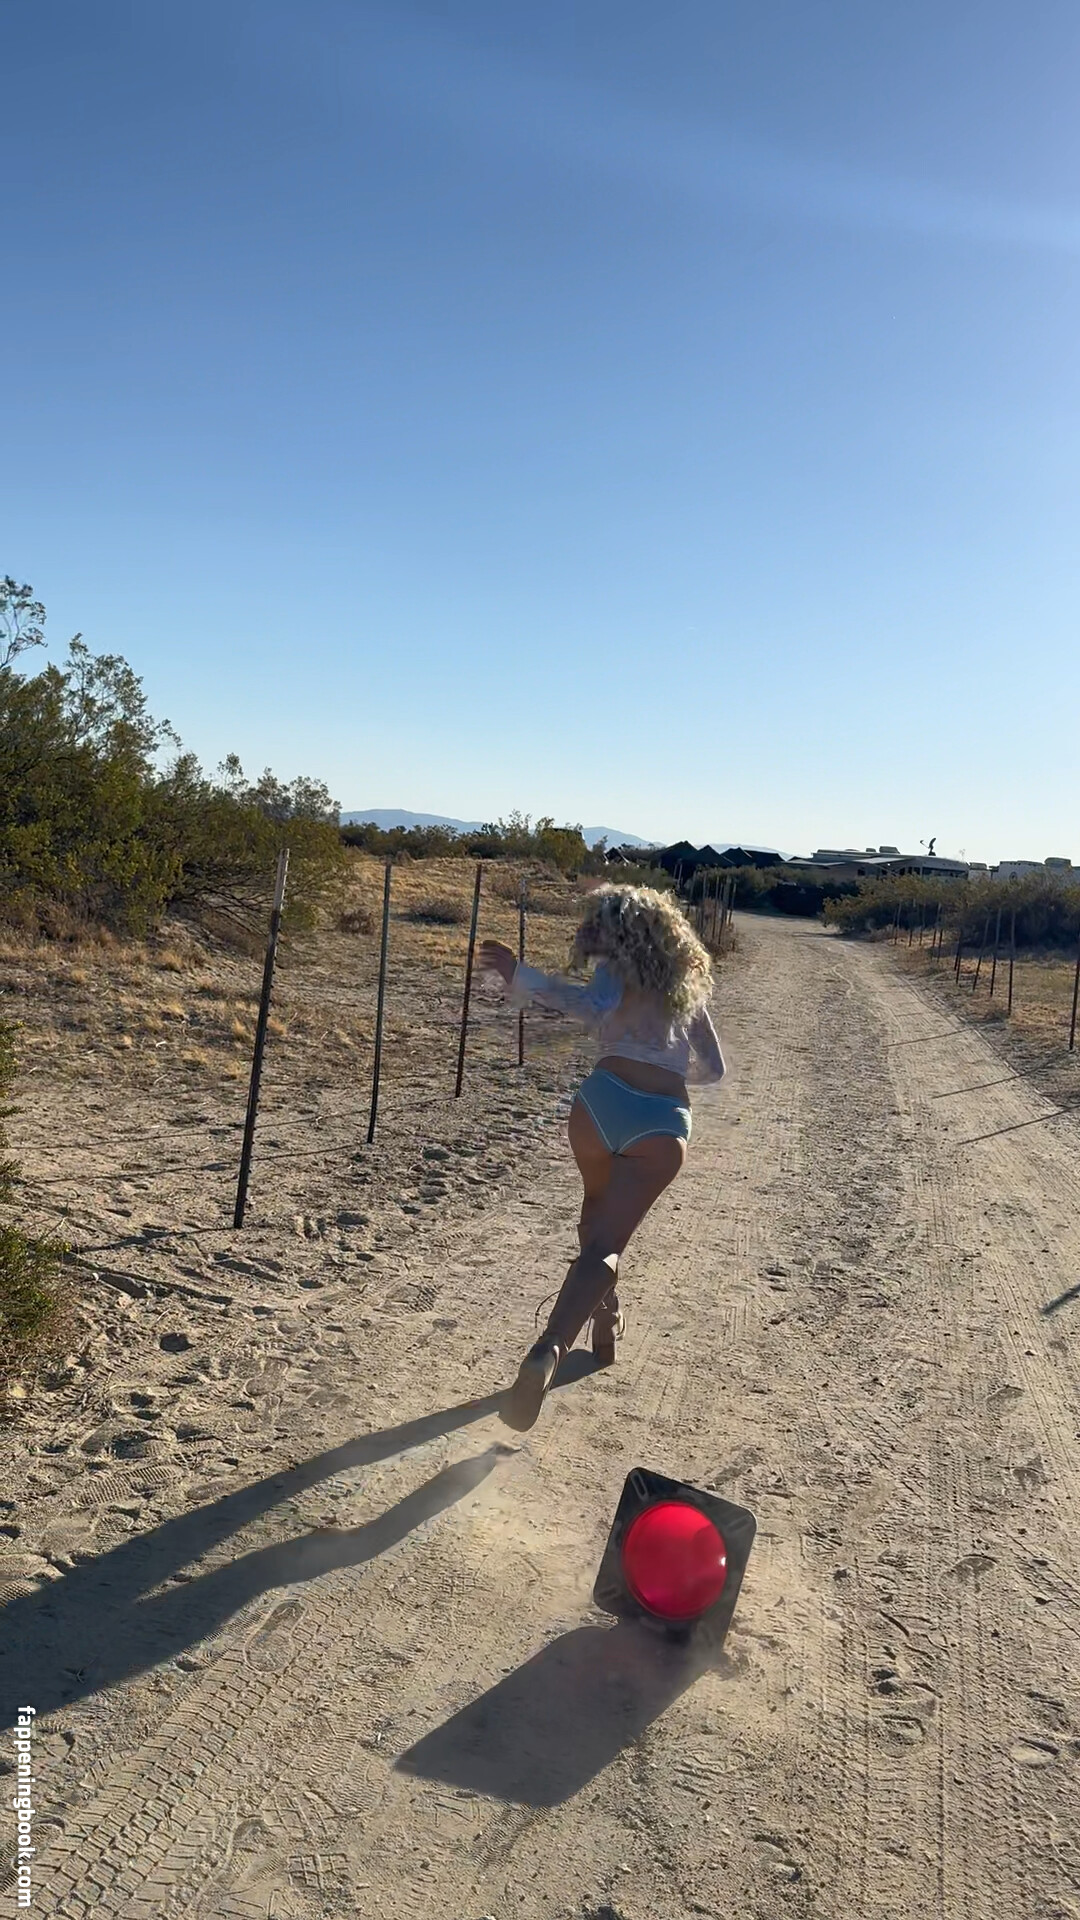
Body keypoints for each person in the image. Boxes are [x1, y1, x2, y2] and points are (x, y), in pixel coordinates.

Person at [480, 882, 727, 1432]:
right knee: (606, 1244)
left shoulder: (613, 972)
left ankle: (605, 1320)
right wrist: (668, 1066)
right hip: (660, 1120)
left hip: (600, 1102)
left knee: (594, 1221)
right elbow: (714, 1070)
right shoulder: (688, 987)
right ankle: (550, 1348)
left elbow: (585, 1008)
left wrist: (520, 974)